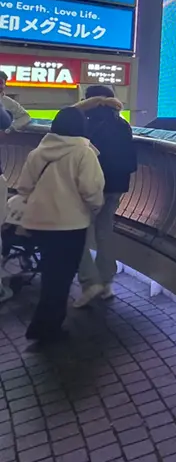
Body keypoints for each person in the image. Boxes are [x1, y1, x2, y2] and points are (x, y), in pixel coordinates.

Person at [13, 107, 103, 344]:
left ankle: (44, 325)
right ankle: (46, 328)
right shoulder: (84, 153)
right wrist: (95, 207)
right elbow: (91, 190)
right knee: (61, 279)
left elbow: (24, 187)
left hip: (39, 223)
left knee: (51, 274)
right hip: (71, 224)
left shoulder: (39, 151)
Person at [72, 86, 137, 308]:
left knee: (77, 232)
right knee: (104, 232)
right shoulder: (122, 124)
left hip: (91, 186)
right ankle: (107, 282)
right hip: (116, 186)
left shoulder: (84, 122)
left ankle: (90, 283)